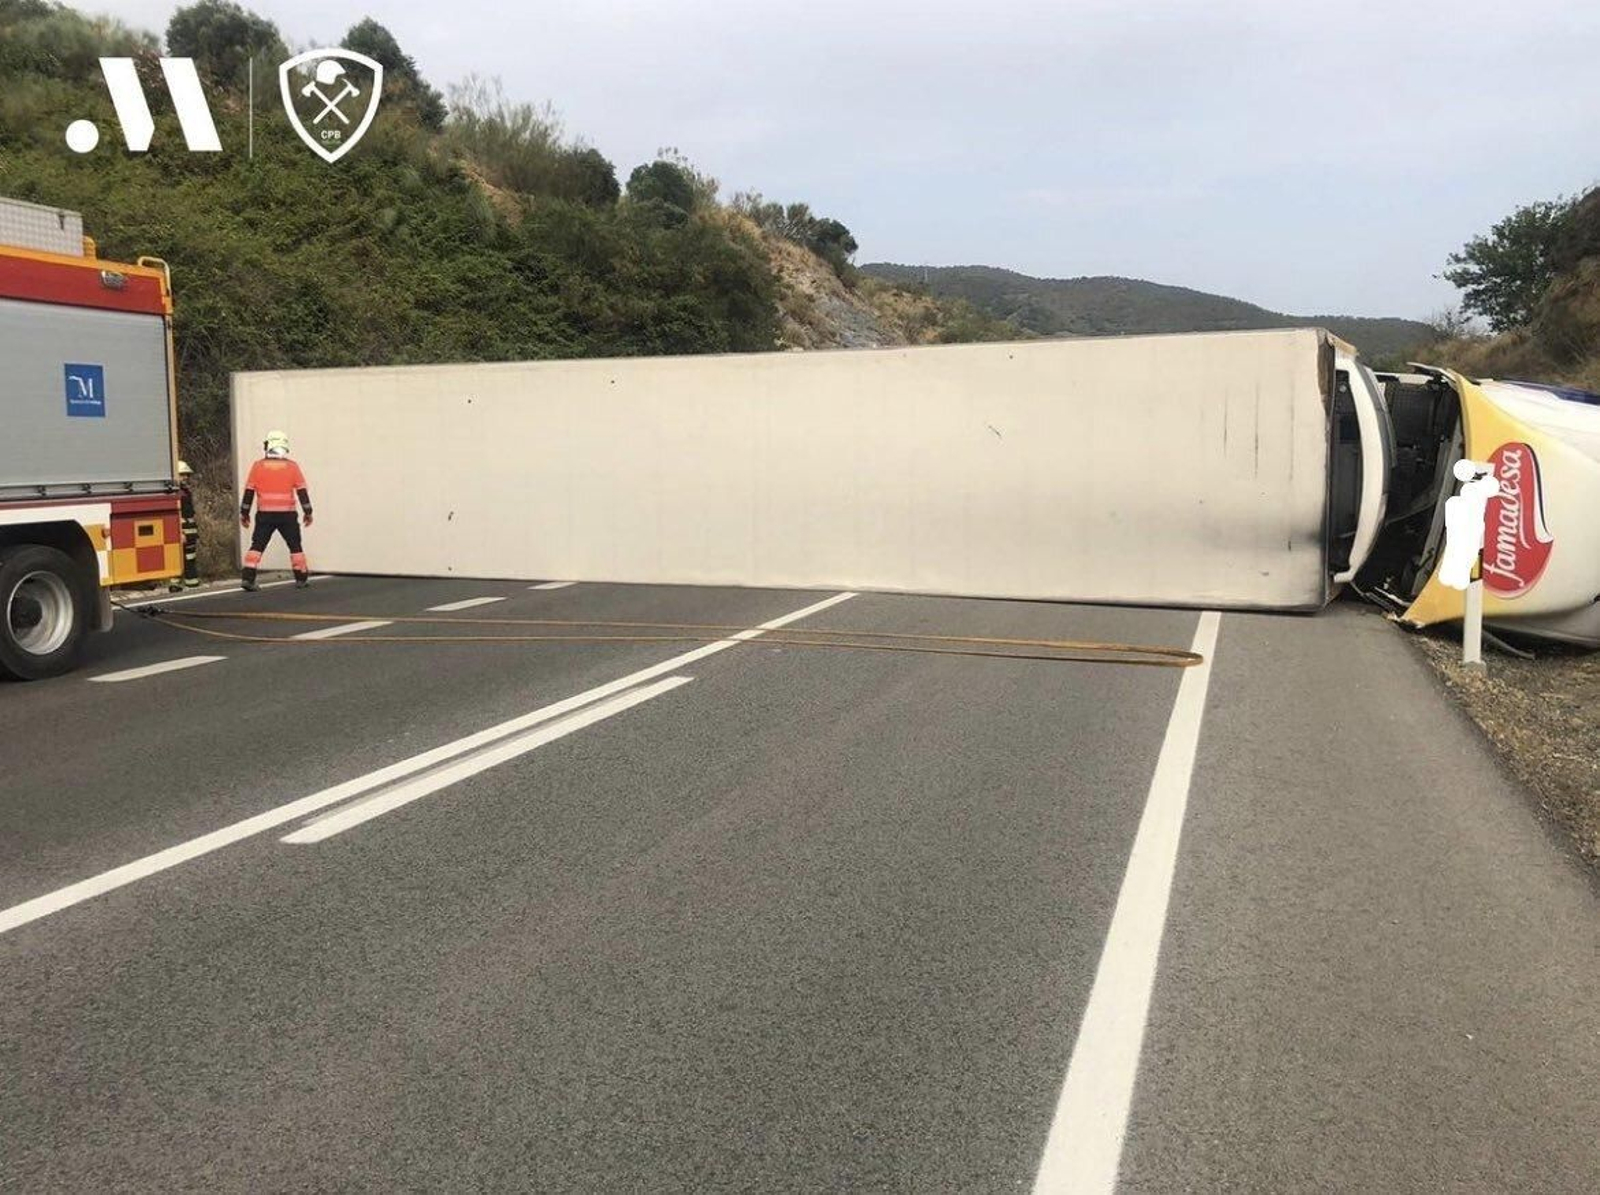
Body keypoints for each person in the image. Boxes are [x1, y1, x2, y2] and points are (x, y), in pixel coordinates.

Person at [240, 430, 314, 591]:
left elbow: (249, 491)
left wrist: (244, 513)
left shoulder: (258, 466)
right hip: (287, 515)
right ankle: (301, 578)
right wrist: (308, 512)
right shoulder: (292, 467)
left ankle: (248, 577)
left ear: (269, 446)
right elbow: (302, 491)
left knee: (257, 544)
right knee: (295, 545)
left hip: (265, 514)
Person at [169, 460, 201, 592]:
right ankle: (189, 583)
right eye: (182, 474)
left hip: (190, 532)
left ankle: (179, 584)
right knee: (186, 558)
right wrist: (180, 532)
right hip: (184, 532)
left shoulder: (184, 491)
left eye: (187, 475)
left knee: (186, 557)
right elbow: (177, 514)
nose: (186, 477)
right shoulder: (178, 494)